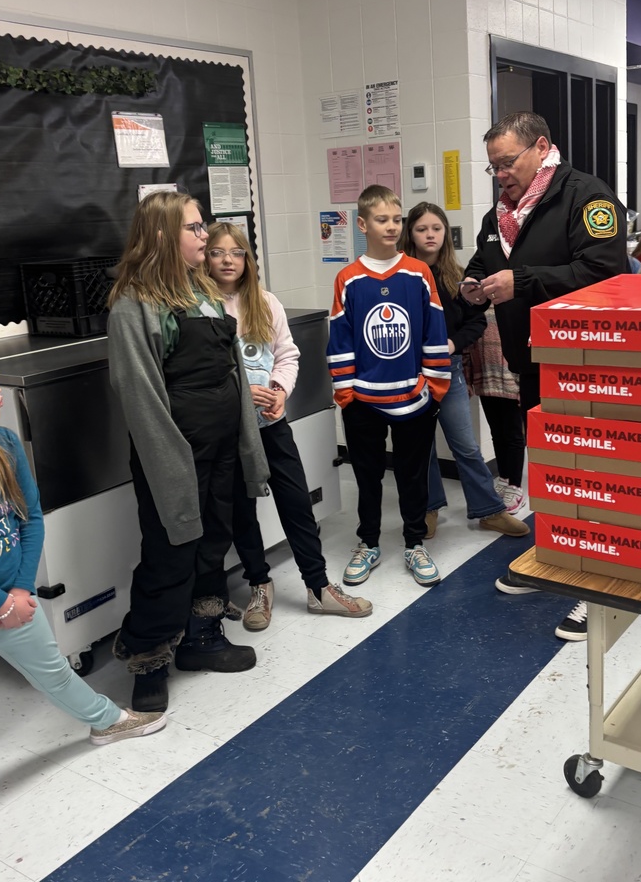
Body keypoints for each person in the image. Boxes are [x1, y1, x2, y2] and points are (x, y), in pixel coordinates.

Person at [460, 112, 627, 642]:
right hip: (531, 360)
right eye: (493, 167)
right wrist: (471, 283)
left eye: (507, 162)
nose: (500, 174)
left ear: (541, 147)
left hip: (584, 363)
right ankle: (557, 557)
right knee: (554, 469)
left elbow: (606, 273)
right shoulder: (502, 213)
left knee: (592, 473)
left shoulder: (587, 197)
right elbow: (485, 258)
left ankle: (598, 584)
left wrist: (525, 280)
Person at [107, 190, 269, 713]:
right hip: (173, 458)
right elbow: (140, 395)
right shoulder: (134, 304)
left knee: (212, 541)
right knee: (169, 552)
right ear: (161, 235)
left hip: (221, 449)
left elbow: (231, 372)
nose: (206, 235)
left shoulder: (202, 292)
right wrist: (171, 463)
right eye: (195, 228)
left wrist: (244, 440)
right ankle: (148, 660)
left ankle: (201, 638)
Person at [205, 223, 372, 629]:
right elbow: (202, 372)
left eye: (237, 252)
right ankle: (259, 584)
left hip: (271, 423)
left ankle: (318, 586)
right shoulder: (200, 308)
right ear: (204, 258)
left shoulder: (265, 302)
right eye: (217, 252)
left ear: (248, 259)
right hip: (229, 429)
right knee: (241, 509)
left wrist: (279, 390)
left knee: (296, 502)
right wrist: (242, 393)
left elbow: (287, 354)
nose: (228, 260)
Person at [0, 376, 167, 745]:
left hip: (11, 596)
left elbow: (30, 517)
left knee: (52, 670)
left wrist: (20, 590)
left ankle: (107, 720)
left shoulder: (4, 442)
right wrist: (1, 604)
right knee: (52, 673)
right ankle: (108, 722)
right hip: (1, 603)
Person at [327, 185, 451, 587]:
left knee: (413, 477)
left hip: (413, 399)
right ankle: (368, 542)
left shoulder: (418, 273)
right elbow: (340, 340)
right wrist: (346, 395)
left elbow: (434, 330)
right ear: (363, 224)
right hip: (363, 401)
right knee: (367, 477)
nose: (392, 227)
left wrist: (434, 387)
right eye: (382, 220)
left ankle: (414, 543)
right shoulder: (348, 279)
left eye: (397, 219)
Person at [398, 202, 528, 541]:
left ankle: (490, 511)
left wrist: (453, 344)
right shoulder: (399, 277)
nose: (430, 235)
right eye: (422, 229)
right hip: (410, 373)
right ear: (410, 234)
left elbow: (476, 322)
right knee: (421, 447)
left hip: (448, 369)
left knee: (466, 446)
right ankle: (428, 509)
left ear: (446, 234)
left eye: (436, 228)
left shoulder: (457, 277)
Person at [464, 308, 526, 513]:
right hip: (485, 380)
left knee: (514, 435)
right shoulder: (474, 308)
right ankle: (504, 478)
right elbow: (467, 346)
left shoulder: (513, 306)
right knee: (497, 434)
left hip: (510, 381)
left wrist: (524, 383)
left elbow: (524, 345)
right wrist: (467, 378)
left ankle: (515, 486)